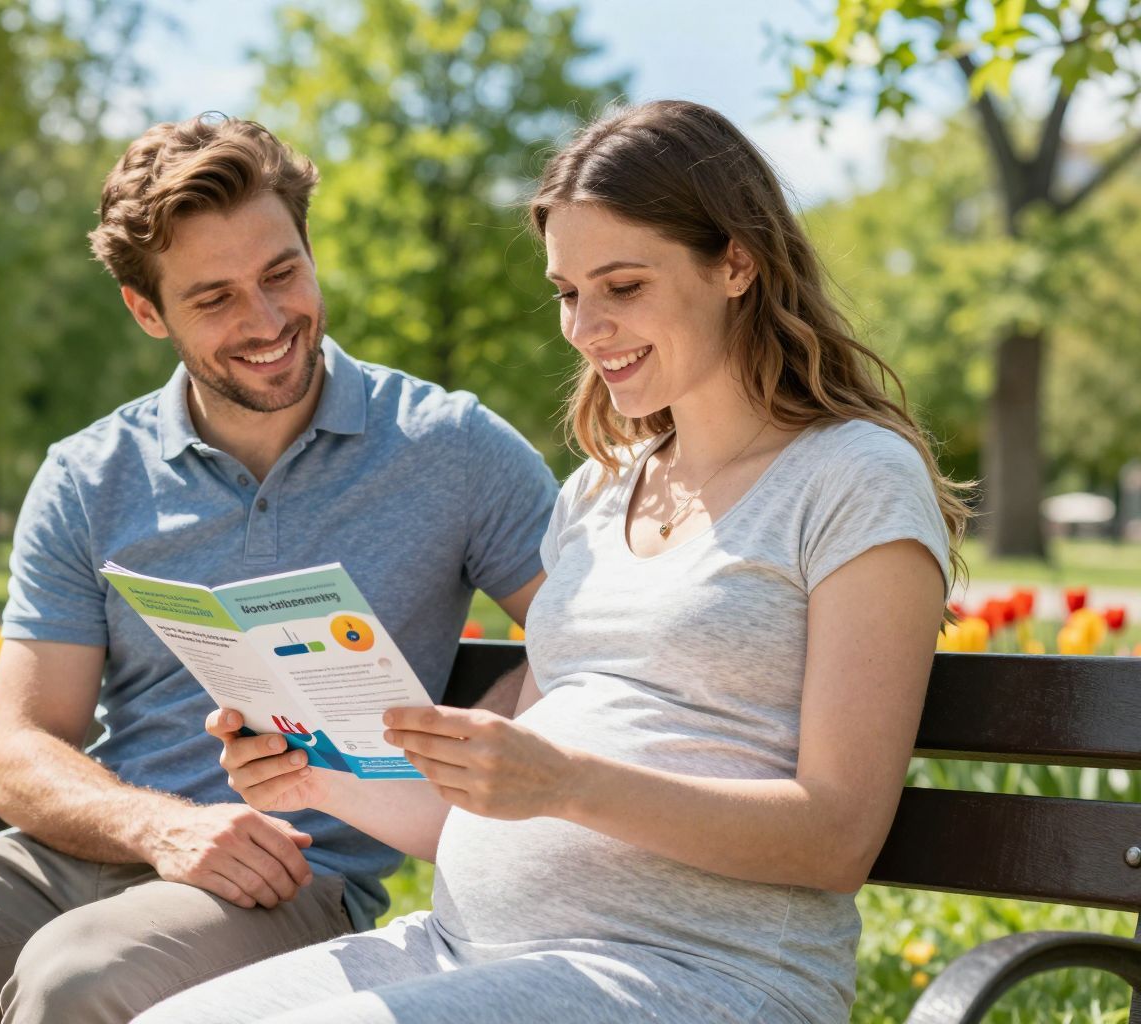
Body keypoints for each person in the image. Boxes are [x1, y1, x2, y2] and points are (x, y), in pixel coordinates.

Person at [0, 115, 557, 1023]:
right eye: (214, 297)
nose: (266, 321)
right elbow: (24, 751)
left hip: (290, 882)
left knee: (78, 975)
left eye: (282, 274)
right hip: (77, 863)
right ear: (147, 312)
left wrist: (483, 745)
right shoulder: (89, 477)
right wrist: (164, 827)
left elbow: (601, 631)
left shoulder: (450, 446)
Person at [134, 100, 968, 1024]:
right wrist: (314, 775)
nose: (584, 327)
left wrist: (568, 783)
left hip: (696, 976)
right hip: (471, 952)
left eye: (622, 286)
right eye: (569, 292)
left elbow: (837, 834)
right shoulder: (597, 495)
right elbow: (484, 812)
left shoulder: (852, 478)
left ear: (736, 260)